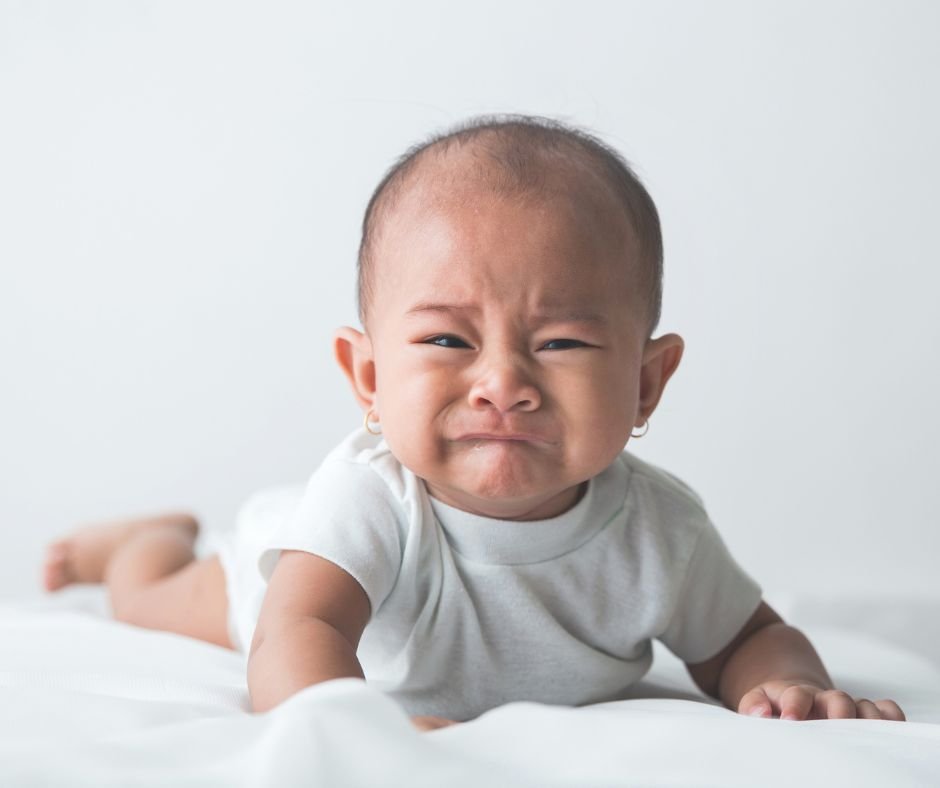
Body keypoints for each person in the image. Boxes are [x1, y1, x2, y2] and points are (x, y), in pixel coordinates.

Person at [41, 114, 905, 731]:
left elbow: (747, 639)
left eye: (561, 342)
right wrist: (365, 730)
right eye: (449, 339)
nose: (503, 385)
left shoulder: (660, 532)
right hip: (276, 569)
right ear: (370, 377)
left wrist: (785, 683)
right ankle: (143, 541)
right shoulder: (371, 501)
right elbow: (298, 634)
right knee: (147, 601)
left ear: (646, 383)